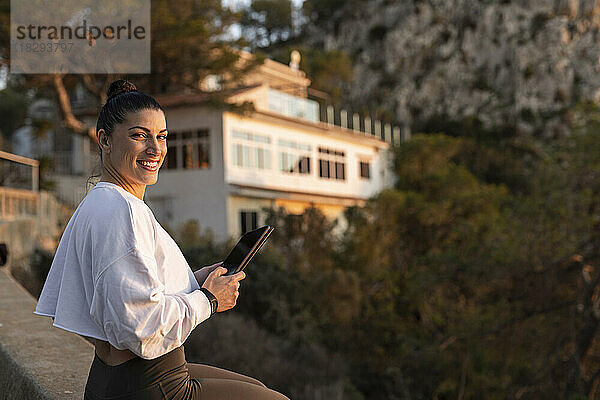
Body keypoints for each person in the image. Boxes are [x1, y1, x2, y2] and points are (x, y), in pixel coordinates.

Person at [34, 79, 290, 400]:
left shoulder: (100, 201)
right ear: (104, 140)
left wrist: (195, 282)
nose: (156, 149)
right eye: (139, 136)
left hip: (115, 377)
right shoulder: (122, 211)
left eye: (162, 137)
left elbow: (125, 292)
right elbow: (141, 329)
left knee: (259, 389)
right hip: (148, 385)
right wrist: (209, 300)